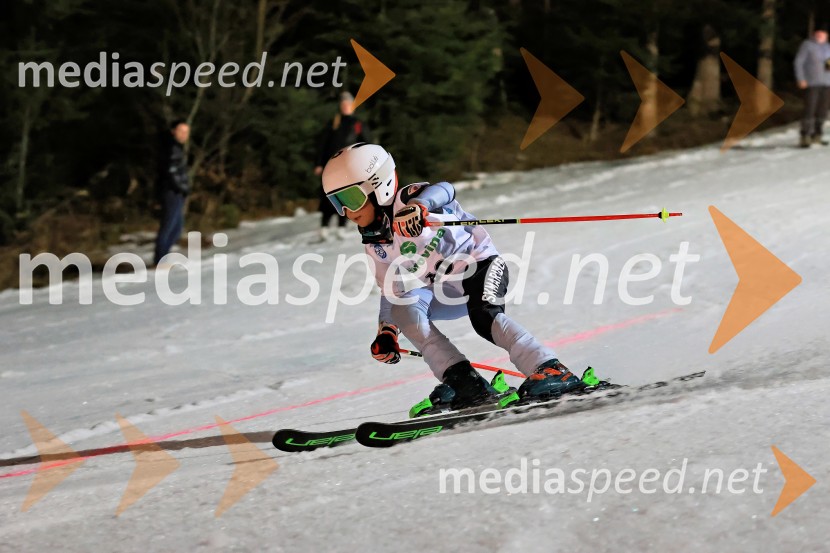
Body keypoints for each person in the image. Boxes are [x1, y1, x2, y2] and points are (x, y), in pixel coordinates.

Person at [321, 143, 585, 416]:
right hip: (446, 287)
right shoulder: (375, 243)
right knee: (404, 310)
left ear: (378, 186)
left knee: (484, 317)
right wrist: (387, 331)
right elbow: (392, 291)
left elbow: (445, 189)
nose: (347, 211)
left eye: (351, 198)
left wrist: (419, 207)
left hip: (480, 265)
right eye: (337, 202)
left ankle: (550, 369)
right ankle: (465, 382)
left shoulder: (409, 198)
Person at [312, 92, 371, 242]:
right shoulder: (333, 123)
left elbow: (366, 144)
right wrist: (318, 163)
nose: (345, 107)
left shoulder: (357, 124)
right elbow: (322, 144)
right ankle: (324, 228)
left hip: (348, 167)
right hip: (330, 166)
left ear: (353, 106)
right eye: (343, 104)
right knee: (328, 196)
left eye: (348, 104)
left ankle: (341, 227)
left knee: (345, 196)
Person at [153, 120, 190, 266]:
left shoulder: (176, 147)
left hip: (176, 191)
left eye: (186, 132)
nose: (184, 135)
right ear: (173, 131)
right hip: (171, 191)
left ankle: (162, 257)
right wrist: (181, 187)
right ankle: (160, 260)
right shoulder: (171, 148)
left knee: (177, 228)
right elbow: (171, 172)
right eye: (181, 131)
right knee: (169, 227)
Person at [794, 26, 830, 147]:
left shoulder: (828, 47)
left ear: (826, 35)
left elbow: (828, 64)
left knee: (823, 110)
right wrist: (801, 78)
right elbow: (799, 62)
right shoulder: (807, 45)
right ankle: (805, 136)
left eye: (823, 33)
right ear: (815, 34)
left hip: (826, 83)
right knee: (809, 109)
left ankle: (817, 135)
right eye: (818, 33)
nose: (820, 35)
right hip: (811, 83)